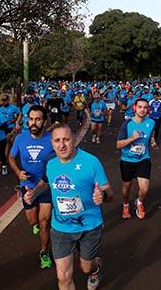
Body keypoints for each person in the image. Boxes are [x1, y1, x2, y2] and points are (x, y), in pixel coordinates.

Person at [23, 123, 114, 290]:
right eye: (57, 140)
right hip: (61, 228)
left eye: (66, 139)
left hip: (89, 226)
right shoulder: (49, 161)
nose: (62, 145)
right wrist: (33, 193)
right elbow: (46, 182)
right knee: (63, 277)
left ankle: (96, 267)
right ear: (52, 143)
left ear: (74, 140)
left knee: (86, 267)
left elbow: (110, 192)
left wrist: (103, 195)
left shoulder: (91, 162)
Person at [9, 105, 54, 269]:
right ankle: (37, 225)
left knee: (44, 223)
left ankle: (44, 252)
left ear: (44, 121)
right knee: (32, 221)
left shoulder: (51, 139)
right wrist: (18, 172)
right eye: (31, 119)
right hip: (27, 187)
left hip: (46, 187)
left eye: (38, 119)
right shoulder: (21, 138)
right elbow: (12, 158)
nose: (34, 123)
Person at [116, 98, 156, 220]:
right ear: (135, 108)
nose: (142, 110)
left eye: (145, 107)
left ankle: (139, 202)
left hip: (143, 159)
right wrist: (132, 138)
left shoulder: (151, 123)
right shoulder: (127, 124)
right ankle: (125, 204)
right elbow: (118, 145)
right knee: (126, 188)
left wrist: (152, 141)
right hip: (127, 160)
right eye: (140, 107)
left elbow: (151, 135)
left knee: (144, 188)